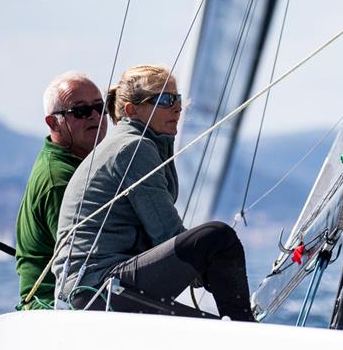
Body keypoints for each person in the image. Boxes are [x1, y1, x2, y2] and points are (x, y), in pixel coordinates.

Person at [52, 64, 254, 321]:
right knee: (217, 238)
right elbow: (166, 235)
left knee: (212, 326)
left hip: (97, 290)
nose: (177, 107)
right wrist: (212, 264)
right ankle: (247, 329)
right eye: (164, 100)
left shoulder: (141, 146)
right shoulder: (134, 149)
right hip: (98, 291)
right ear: (132, 110)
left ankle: (241, 328)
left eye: (178, 99)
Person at [15, 72, 107, 309]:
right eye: (80, 111)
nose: (95, 115)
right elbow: (88, 258)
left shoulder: (81, 163)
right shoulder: (60, 179)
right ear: (52, 122)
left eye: (100, 106)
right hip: (50, 306)